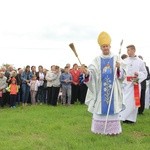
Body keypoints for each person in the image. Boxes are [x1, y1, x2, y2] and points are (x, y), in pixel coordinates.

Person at [84, 31, 125, 135]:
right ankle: (98, 130)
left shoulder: (116, 58)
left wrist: (119, 68)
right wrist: (87, 73)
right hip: (101, 88)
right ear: (101, 48)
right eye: (103, 46)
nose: (105, 48)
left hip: (113, 89)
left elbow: (122, 75)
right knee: (100, 106)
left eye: (107, 46)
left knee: (113, 105)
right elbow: (91, 72)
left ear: (110, 46)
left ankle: (113, 131)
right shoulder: (97, 60)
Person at [119, 45, 147, 123]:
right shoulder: (125, 61)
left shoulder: (140, 61)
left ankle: (131, 119)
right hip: (126, 84)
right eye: (127, 50)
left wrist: (138, 75)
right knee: (125, 100)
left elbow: (145, 73)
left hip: (135, 83)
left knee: (134, 101)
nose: (128, 52)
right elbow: (121, 72)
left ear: (134, 50)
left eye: (129, 50)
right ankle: (123, 117)